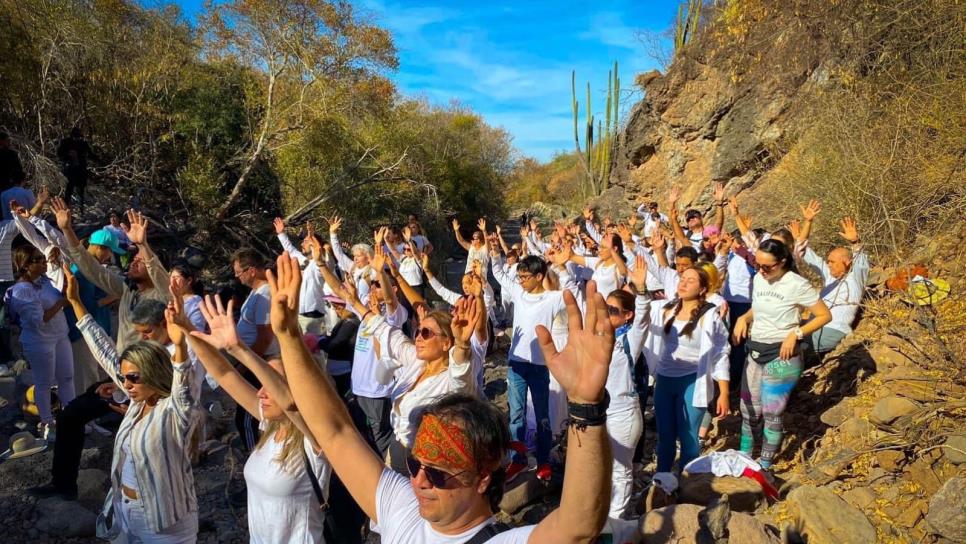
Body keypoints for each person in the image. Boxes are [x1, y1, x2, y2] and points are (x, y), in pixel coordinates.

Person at [276, 252, 614, 543]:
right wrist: (289, 336)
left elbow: (577, 528)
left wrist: (586, 407)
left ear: (482, 478)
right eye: (416, 464)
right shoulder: (402, 507)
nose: (418, 481)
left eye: (438, 473)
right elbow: (335, 433)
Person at [176, 289, 332, 544]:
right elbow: (226, 376)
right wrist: (186, 328)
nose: (261, 392)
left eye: (272, 383)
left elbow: (291, 404)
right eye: (261, 382)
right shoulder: (270, 424)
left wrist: (238, 349)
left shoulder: (314, 438)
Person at [64, 267, 202, 542]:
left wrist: (182, 344)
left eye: (132, 378)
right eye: (124, 377)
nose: (125, 384)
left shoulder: (173, 409)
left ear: (151, 374)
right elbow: (103, 350)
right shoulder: (139, 405)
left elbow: (184, 388)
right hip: (126, 513)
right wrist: (76, 302)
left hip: (164, 523)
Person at [28, 297, 173, 501]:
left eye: (148, 332)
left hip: (155, 413)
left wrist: (137, 409)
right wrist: (119, 384)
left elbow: (172, 394)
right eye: (140, 332)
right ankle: (63, 484)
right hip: (129, 393)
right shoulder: (149, 343)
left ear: (165, 324)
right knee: (72, 414)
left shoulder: (178, 354)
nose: (143, 338)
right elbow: (129, 371)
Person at [733, 239, 831, 471]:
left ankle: (765, 465)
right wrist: (744, 318)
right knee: (748, 409)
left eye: (767, 266)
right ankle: (744, 456)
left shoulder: (796, 284)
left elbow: (823, 315)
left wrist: (796, 333)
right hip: (755, 350)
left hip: (781, 355)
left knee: (771, 412)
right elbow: (759, 307)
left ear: (783, 262)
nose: (762, 270)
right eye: (758, 265)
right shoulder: (759, 279)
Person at [643, 266, 731, 477]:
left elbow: (721, 352)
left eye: (691, 280)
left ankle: (687, 484)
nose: (683, 282)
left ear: (702, 289)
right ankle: (661, 481)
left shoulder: (710, 315)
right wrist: (638, 287)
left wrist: (724, 392)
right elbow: (640, 310)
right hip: (664, 379)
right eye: (682, 278)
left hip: (693, 379)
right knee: (665, 435)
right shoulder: (666, 309)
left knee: (689, 436)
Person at [489, 252, 569, 482]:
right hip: (516, 365)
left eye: (525, 276)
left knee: (543, 416)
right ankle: (518, 460)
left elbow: (575, 300)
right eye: (520, 276)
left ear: (539, 276)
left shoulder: (553, 299)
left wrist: (562, 266)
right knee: (516, 415)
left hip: (540, 366)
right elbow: (498, 273)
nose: (521, 281)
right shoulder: (518, 292)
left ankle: (543, 460)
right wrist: (493, 250)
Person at [55, 200, 169, 351]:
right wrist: (67, 229)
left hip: (149, 368)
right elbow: (93, 269)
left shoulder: (162, 296)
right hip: (125, 364)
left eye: (140, 261)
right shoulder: (128, 288)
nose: (133, 263)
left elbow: (159, 275)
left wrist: (143, 245)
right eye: (134, 259)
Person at [4, 245, 75, 440]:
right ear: (26, 265)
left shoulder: (44, 281)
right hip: (39, 341)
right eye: (38, 259)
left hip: (60, 335)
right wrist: (62, 303)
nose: (44, 262)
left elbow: (56, 296)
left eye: (43, 258)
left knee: (67, 378)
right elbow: (38, 321)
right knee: (44, 383)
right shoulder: (21, 291)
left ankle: (71, 419)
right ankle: (47, 423)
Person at [601, 258, 652, 519]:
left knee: (621, 472)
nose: (606, 314)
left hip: (623, 413)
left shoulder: (630, 339)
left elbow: (643, 319)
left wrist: (641, 291)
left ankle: (615, 524)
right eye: (605, 308)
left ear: (627, 315)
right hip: (600, 413)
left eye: (613, 310)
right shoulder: (599, 336)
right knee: (602, 468)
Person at [800, 216, 869, 354]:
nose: (828, 264)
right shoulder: (830, 278)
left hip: (833, 329)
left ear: (846, 262)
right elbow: (804, 252)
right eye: (828, 261)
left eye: (832, 262)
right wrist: (806, 225)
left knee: (794, 349)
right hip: (814, 326)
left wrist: (855, 242)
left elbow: (861, 263)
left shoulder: (855, 279)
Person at [232, 249, 276, 451]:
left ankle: (255, 455)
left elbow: (265, 336)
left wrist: (246, 364)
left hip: (260, 361)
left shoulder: (265, 294)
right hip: (254, 359)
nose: (236, 277)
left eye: (239, 272)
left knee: (249, 416)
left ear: (251, 271)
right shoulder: (255, 293)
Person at [274, 218, 331, 336]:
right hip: (299, 315)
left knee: (314, 352)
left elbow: (320, 256)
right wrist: (281, 233)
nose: (301, 244)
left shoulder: (321, 265)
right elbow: (290, 249)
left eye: (305, 241)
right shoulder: (305, 261)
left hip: (313, 317)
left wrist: (312, 237)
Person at [57, 127, 94, 213]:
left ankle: (81, 210)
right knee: (69, 190)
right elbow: (59, 155)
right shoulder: (65, 142)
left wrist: (99, 160)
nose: (77, 138)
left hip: (81, 169)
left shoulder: (83, 143)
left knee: (80, 190)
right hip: (70, 169)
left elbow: (90, 154)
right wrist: (68, 155)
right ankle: (66, 209)